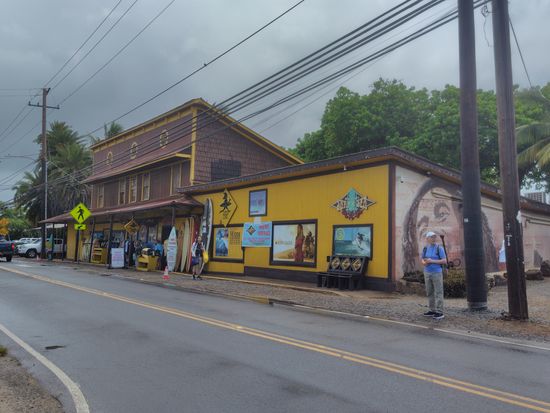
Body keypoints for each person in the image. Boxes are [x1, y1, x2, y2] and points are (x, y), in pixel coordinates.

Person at [421, 231, 447, 320]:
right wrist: (424, 263)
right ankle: (432, 310)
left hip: (437, 273)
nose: (434, 239)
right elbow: (422, 259)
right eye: (432, 237)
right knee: (429, 292)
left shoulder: (439, 248)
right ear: (427, 238)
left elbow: (444, 261)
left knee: (438, 292)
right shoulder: (425, 248)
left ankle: (440, 312)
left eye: (434, 237)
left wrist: (432, 261)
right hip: (427, 272)